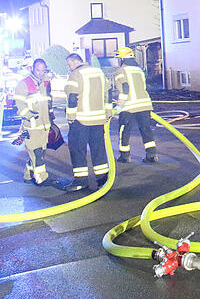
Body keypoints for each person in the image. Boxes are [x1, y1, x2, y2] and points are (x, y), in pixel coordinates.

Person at [59, 53, 112, 192]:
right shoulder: (99, 72)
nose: (68, 67)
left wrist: (70, 117)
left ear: (75, 61)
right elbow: (108, 93)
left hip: (81, 120)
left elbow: (72, 97)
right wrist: (108, 113)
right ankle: (103, 179)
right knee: (98, 149)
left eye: (69, 64)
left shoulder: (76, 74)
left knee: (77, 150)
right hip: (98, 120)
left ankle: (80, 181)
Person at [13, 58, 54, 186]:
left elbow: (48, 102)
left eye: (43, 70)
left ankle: (28, 175)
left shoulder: (44, 83)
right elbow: (19, 106)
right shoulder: (24, 84)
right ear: (32, 69)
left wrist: (50, 118)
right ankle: (42, 178)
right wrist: (31, 117)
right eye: (38, 70)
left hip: (43, 125)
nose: (41, 73)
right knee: (36, 152)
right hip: (32, 126)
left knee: (39, 152)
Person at [112, 47, 158, 163]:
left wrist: (119, 107)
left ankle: (125, 156)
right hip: (144, 104)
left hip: (129, 106)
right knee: (146, 130)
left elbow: (125, 89)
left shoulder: (121, 71)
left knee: (124, 131)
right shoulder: (139, 70)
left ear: (122, 59)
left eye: (119, 58)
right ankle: (151, 155)